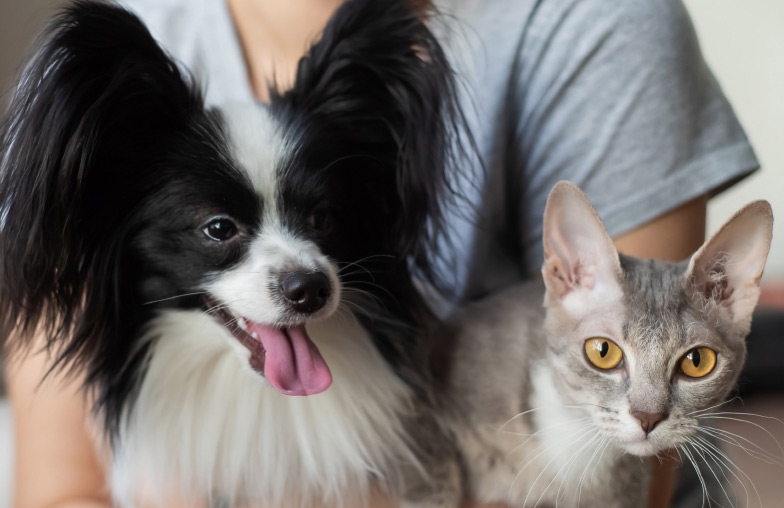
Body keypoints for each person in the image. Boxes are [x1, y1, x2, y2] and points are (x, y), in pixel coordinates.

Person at [7, 0, 758, 507]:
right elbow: (62, 486)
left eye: (322, 219)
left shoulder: (592, 21)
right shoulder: (140, 32)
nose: (299, 268)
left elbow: (632, 443)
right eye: (218, 230)